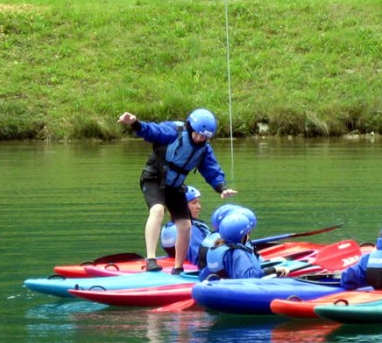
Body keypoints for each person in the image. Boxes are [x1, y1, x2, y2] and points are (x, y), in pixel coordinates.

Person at [118, 108, 238, 275]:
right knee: (158, 210)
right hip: (153, 177)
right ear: (190, 127)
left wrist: (221, 188)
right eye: (197, 134)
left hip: (174, 186)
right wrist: (135, 123)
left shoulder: (204, 149)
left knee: (186, 225)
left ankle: (178, 268)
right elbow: (152, 130)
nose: (199, 138)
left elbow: (212, 169)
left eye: (204, 136)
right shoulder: (174, 131)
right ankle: (151, 260)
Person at [201, 210, 288, 280]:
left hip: (218, 287)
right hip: (235, 291)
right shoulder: (238, 253)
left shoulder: (216, 247)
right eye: (248, 233)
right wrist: (274, 269)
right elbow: (248, 277)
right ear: (243, 236)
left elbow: (203, 275)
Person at [160, 185, 212, 266]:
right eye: (194, 203)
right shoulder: (190, 229)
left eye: (198, 202)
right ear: (181, 205)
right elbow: (200, 260)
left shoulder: (167, 228)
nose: (199, 207)